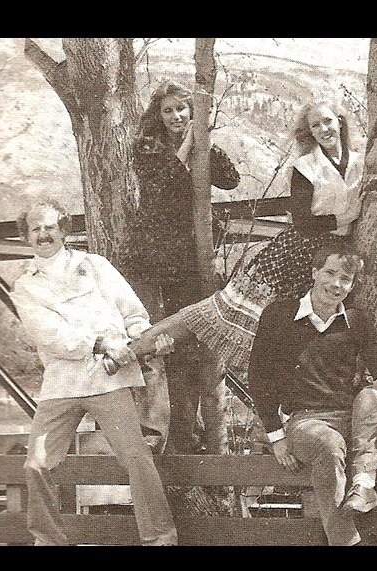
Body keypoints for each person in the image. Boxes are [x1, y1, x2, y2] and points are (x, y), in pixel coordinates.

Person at [129, 99, 363, 389]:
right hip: (292, 256)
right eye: (315, 125)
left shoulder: (360, 162)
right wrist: (342, 218)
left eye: (328, 121)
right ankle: (131, 350)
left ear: (340, 121)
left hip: (326, 261)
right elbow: (302, 222)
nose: (324, 129)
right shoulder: (305, 166)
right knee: (215, 313)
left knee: (288, 338)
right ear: (310, 133)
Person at [9, 200, 178, 546]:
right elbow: (51, 336)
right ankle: (48, 541)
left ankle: (160, 538)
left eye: (50, 227)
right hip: (61, 385)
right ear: (26, 237)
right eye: (36, 229)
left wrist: (147, 339)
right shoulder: (24, 286)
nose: (44, 234)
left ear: (64, 231)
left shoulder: (95, 265)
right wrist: (102, 343)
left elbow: (132, 312)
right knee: (36, 465)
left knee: (136, 458)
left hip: (108, 381)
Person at [248, 243, 377, 546]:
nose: (336, 284)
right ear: (314, 272)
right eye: (330, 273)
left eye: (345, 279)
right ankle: (345, 541)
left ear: (352, 286)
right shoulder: (280, 315)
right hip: (304, 422)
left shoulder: (355, 320)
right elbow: (258, 377)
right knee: (329, 444)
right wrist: (276, 436)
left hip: (353, 419)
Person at [117, 80, 241, 453]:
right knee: (154, 342)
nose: (177, 116)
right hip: (153, 256)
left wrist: (203, 143)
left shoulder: (198, 144)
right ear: (158, 115)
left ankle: (190, 435)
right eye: (168, 110)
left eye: (183, 109)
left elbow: (231, 180)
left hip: (187, 262)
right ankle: (157, 436)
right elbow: (168, 188)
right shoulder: (146, 148)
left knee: (188, 346)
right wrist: (188, 148)